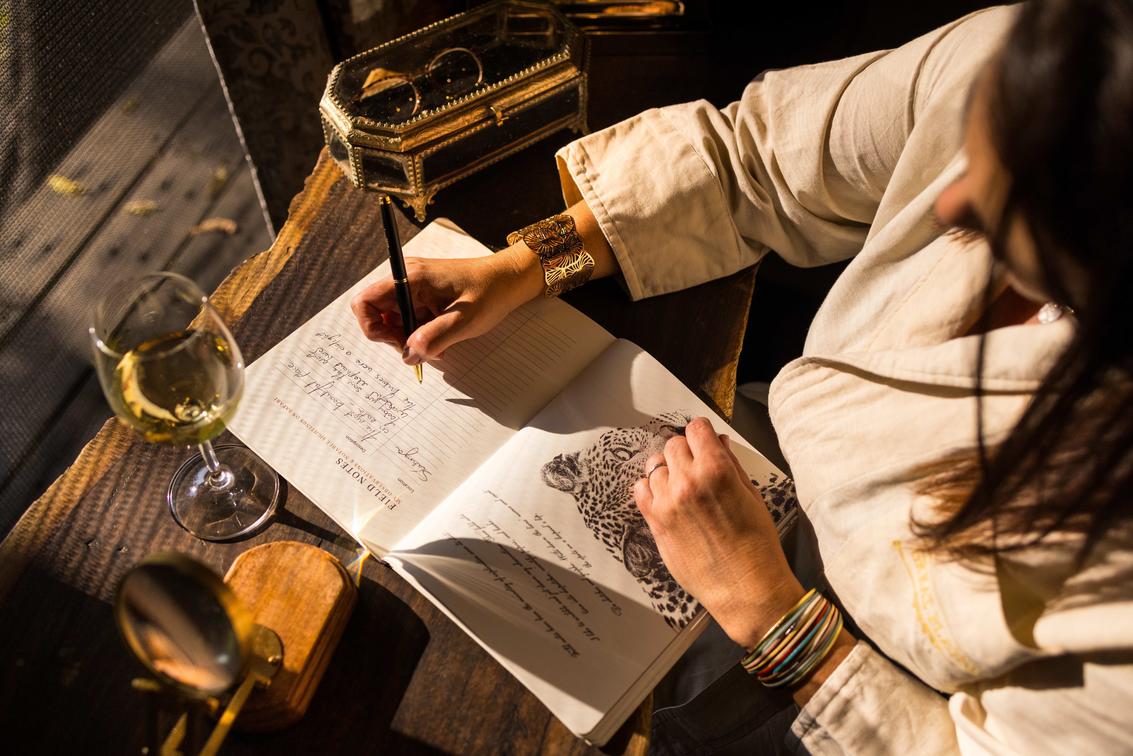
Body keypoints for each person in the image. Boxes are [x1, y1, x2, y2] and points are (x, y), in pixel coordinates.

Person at [351, 1, 1133, 752]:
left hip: (834, 674)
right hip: (745, 459)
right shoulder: (1048, 55)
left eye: (1014, 203)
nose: (948, 200)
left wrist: (768, 611)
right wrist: (527, 265)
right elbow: (755, 162)